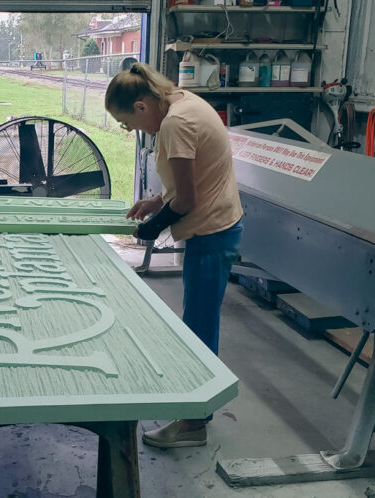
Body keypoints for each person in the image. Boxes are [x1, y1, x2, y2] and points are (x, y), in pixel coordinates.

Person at [106, 63, 243, 448]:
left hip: (212, 233)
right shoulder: (182, 101)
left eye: (128, 125)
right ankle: (195, 413)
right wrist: (155, 201)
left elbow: (187, 199)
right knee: (200, 321)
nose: (133, 132)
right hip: (218, 226)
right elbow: (188, 181)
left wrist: (152, 228)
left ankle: (193, 424)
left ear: (141, 106)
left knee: (199, 328)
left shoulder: (174, 124)